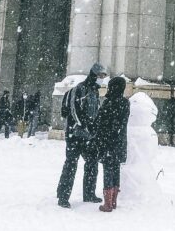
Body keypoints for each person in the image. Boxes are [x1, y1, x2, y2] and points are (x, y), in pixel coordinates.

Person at [56, 62, 108, 208]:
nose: (102, 79)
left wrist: (94, 128)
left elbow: (95, 112)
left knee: (92, 163)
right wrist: (86, 125)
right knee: (71, 165)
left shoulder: (94, 91)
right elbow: (74, 111)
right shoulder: (80, 89)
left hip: (88, 136)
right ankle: (63, 196)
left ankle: (89, 193)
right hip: (75, 134)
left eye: (104, 76)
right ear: (93, 75)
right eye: (100, 76)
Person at [94, 76, 130, 212]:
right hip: (120, 143)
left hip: (108, 142)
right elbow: (120, 124)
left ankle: (107, 203)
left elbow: (102, 124)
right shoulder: (125, 103)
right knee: (115, 170)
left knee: (108, 170)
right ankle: (114, 201)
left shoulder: (109, 103)